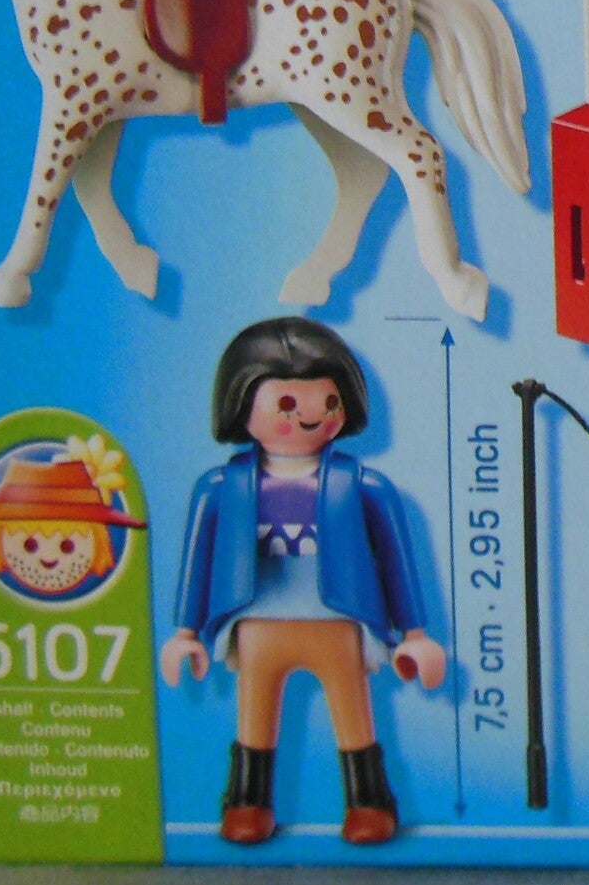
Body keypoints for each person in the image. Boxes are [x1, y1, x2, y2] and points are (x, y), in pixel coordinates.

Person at [161, 317, 447, 845]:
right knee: (254, 715)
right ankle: (247, 801)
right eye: (287, 404)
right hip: (257, 618)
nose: (311, 416)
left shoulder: (362, 485)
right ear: (240, 403)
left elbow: (396, 556)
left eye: (328, 401)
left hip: (337, 616)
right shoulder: (221, 486)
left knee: (353, 712)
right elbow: (196, 559)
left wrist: (415, 633)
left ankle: (369, 801)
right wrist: (185, 632)